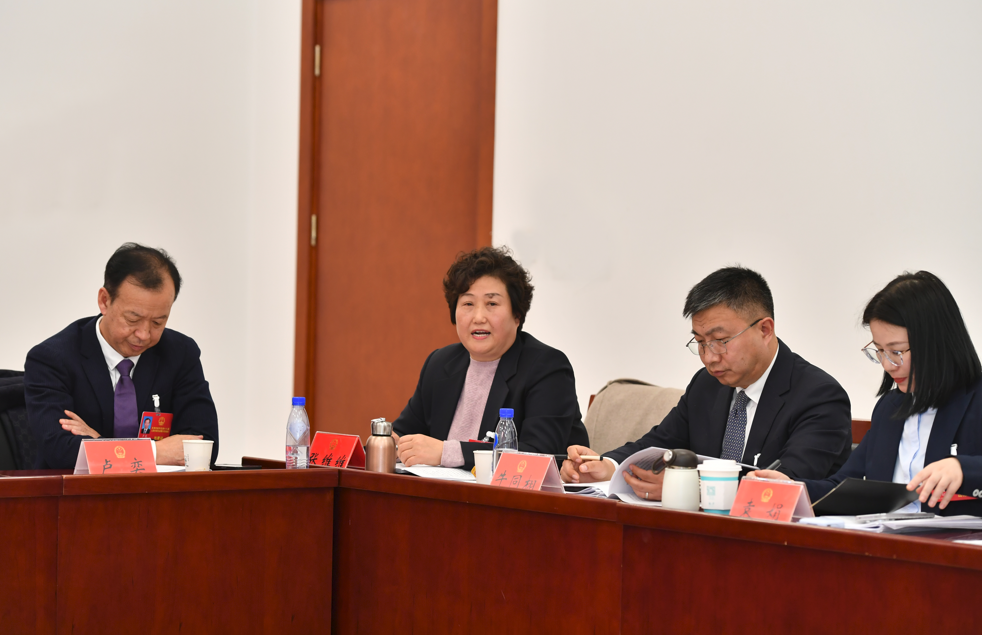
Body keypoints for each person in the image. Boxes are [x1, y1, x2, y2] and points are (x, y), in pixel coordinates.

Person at [562, 266, 852, 500]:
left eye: (720, 341)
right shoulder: (707, 384)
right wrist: (606, 465)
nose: (709, 358)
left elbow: (787, 483)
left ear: (765, 330)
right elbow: (659, 443)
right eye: (700, 342)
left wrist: (685, 488)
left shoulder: (819, 396)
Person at [753, 271, 982, 515]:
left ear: (936, 342)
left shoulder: (976, 401)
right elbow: (842, 487)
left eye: (896, 351)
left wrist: (963, 468)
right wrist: (793, 489)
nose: (887, 365)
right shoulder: (889, 409)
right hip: (884, 537)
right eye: (880, 351)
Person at [393, 246, 589, 470]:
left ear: (517, 315)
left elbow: (539, 454)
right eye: (468, 304)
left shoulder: (547, 367)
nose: (478, 317)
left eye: (492, 304)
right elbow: (404, 434)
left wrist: (447, 452)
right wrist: (389, 443)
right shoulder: (440, 363)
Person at [25, 243, 219, 469]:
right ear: (104, 301)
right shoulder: (52, 359)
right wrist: (155, 452)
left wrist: (98, 442)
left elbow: (203, 447)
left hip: (158, 491)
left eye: (158, 322)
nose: (144, 334)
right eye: (133, 319)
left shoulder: (180, 353)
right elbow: (61, 451)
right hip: (78, 491)